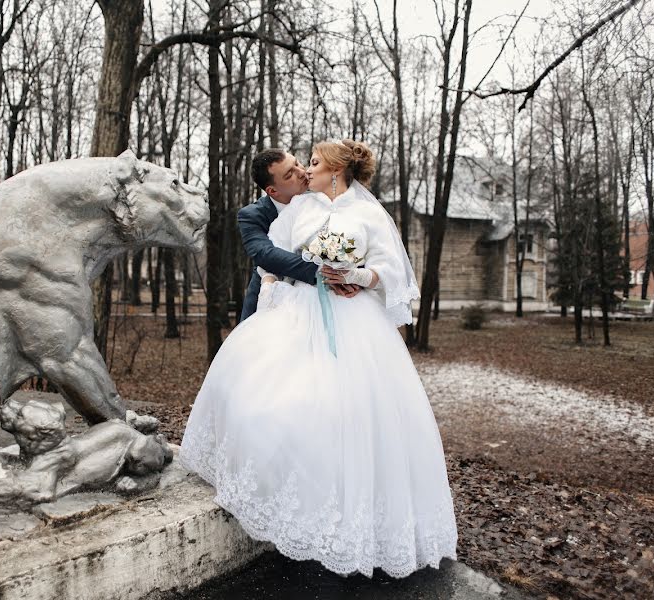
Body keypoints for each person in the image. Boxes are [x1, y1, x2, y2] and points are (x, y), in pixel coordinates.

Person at [180, 139, 458, 578]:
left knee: (353, 414)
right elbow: (270, 264)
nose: (306, 171)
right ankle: (286, 500)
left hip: (357, 325)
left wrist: (356, 275)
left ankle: (356, 524)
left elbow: (392, 274)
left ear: (337, 170)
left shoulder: (369, 215)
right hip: (298, 314)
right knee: (279, 402)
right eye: (301, 166)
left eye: (312, 163)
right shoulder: (299, 210)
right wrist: (310, 280)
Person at [237, 149, 359, 323]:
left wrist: (349, 273)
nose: (302, 172)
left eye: (297, 163)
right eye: (289, 175)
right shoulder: (251, 215)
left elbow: (351, 239)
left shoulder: (323, 198)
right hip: (270, 301)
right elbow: (265, 254)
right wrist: (322, 272)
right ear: (272, 191)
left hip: (323, 304)